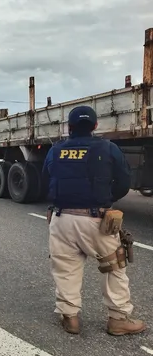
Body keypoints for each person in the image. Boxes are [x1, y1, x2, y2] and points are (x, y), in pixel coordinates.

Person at [42, 105, 146, 336]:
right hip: (97, 221)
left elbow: (45, 182)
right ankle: (118, 319)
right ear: (95, 125)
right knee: (114, 266)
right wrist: (106, 200)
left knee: (65, 268)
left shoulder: (55, 150)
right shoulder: (108, 148)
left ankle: (70, 317)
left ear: (69, 127)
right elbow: (122, 183)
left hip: (61, 219)